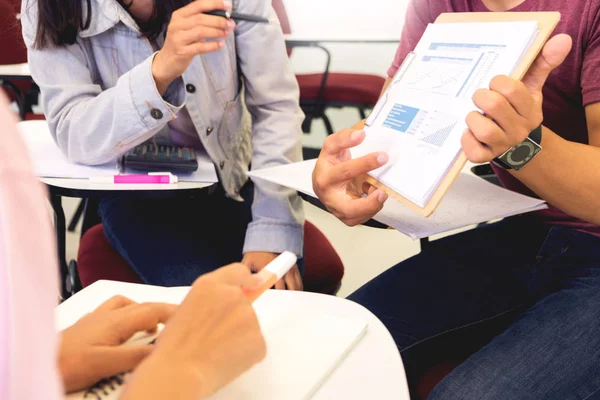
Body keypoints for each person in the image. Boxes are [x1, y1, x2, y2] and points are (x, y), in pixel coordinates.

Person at [313, 0, 600, 398]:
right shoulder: (438, 5)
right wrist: (344, 170)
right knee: (331, 351)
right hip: (525, 229)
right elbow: (392, 124)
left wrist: (524, 143)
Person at [20, 0, 304, 289]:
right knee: (211, 309)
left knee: (274, 305)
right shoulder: (46, 7)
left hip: (235, 180)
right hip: (134, 198)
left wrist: (274, 228)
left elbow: (275, 107)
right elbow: (74, 131)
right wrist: (159, 72)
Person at [0, 91, 266, 399]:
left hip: (227, 186)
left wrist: (41, 365)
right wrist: (180, 376)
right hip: (135, 197)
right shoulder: (9, 162)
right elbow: (79, 134)